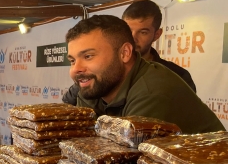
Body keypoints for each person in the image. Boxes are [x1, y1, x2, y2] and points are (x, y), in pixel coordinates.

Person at [66, 15, 224, 134]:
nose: (76, 69)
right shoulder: (94, 87)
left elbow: (119, 163)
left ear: (125, 53)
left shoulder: (152, 91)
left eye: (88, 56)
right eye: (72, 61)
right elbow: (84, 147)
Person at [63, 0, 196, 105]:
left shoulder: (172, 78)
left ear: (157, 35)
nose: (132, 38)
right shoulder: (98, 77)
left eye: (143, 32)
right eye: (127, 30)